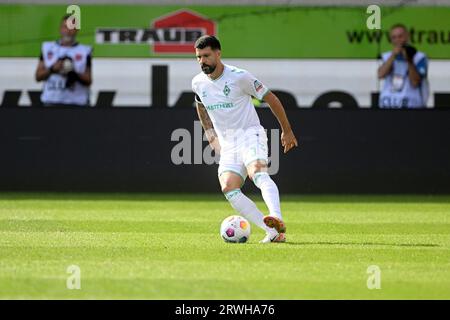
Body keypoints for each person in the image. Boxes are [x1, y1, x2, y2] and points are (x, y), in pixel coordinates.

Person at [191, 35, 298, 243]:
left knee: (257, 174)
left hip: (250, 134)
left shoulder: (240, 77)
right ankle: (273, 232)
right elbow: (200, 105)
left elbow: (271, 98)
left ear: (218, 54)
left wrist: (287, 131)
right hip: (228, 143)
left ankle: (276, 216)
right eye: (198, 57)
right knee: (228, 187)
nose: (202, 61)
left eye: (206, 56)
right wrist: (210, 135)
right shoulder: (198, 83)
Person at [35, 14, 92, 106]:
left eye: (71, 28)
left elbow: (88, 80)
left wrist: (73, 72)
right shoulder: (48, 48)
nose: (68, 31)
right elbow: (38, 76)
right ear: (60, 29)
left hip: (76, 103)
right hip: (51, 101)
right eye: (65, 27)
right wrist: (53, 69)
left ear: (77, 30)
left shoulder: (84, 51)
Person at [378, 24, 429, 108]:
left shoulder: (419, 57)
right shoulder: (386, 56)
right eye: (394, 37)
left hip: (412, 106)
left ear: (407, 37)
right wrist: (393, 56)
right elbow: (381, 75)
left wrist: (409, 60)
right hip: (388, 105)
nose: (397, 40)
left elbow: (415, 82)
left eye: (400, 36)